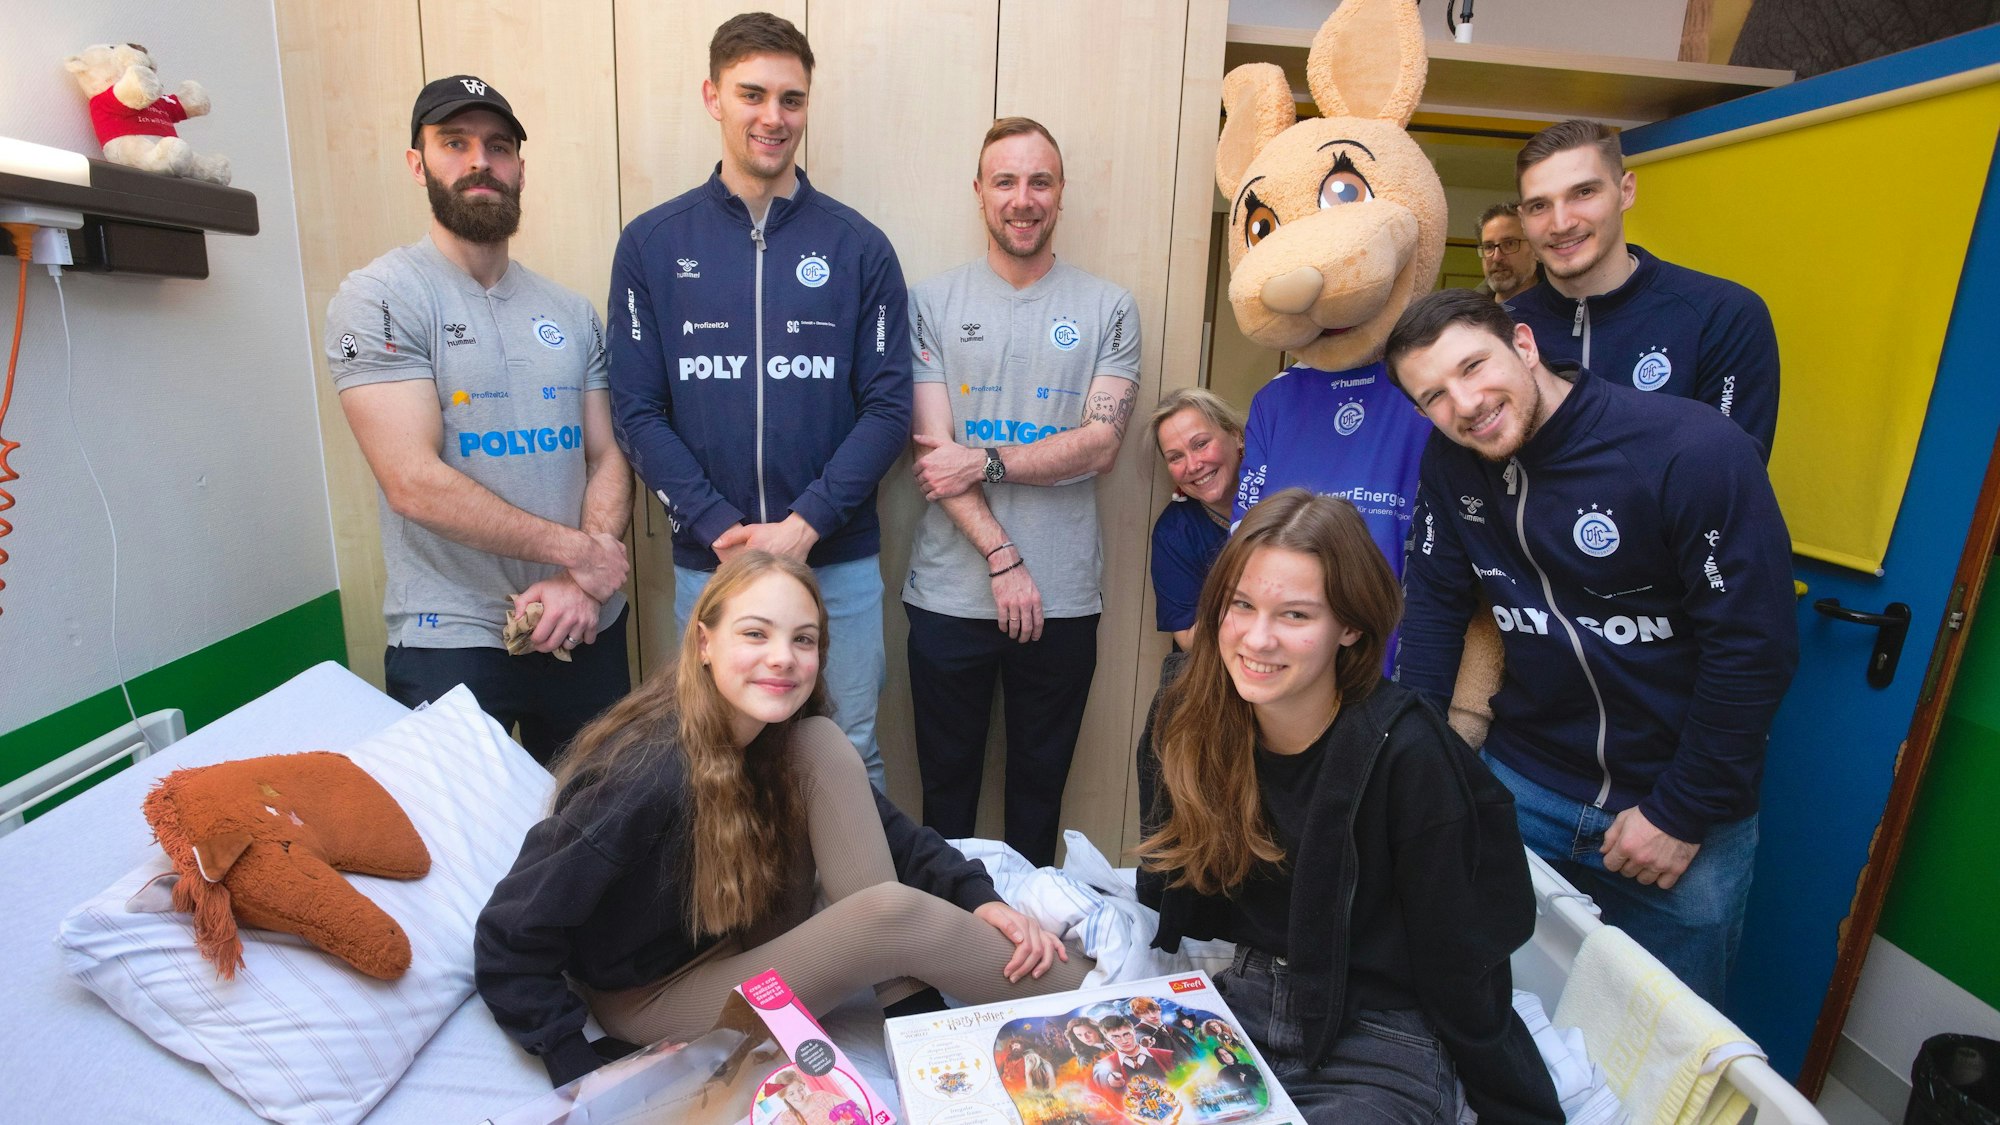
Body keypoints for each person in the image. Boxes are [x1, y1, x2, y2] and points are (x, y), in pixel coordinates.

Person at [474, 552, 1091, 1088]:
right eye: (755, 634)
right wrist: (574, 1056)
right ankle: (1104, 996)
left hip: (734, 928)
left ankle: (912, 1011)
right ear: (704, 642)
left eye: (802, 639)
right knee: (888, 914)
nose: (783, 658)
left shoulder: (776, 737)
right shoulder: (647, 776)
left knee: (821, 741)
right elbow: (508, 934)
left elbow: (891, 833)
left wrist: (978, 898)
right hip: (659, 998)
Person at [1385, 289, 1799, 1005]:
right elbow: (1434, 610)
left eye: (1474, 365)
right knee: (1501, 1008)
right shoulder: (1451, 466)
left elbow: (1753, 647)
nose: (1466, 403)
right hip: (1524, 786)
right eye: (1434, 395)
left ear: (1523, 343)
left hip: (1678, 811)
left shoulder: (1691, 449)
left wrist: (1680, 810)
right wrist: (1423, 760)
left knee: (1662, 1051)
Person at [1136, 489, 1561, 1125]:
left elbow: (1464, 964)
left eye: (1296, 616)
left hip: (1383, 1036)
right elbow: (1172, 881)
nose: (1258, 638)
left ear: (1352, 626)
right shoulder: (1188, 716)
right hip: (1243, 1005)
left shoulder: (1410, 755)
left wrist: (1515, 1106)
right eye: (1240, 605)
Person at [608, 12, 909, 788]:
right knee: (715, 757)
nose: (773, 117)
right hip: (710, 564)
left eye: (792, 99)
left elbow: (887, 410)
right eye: (753, 94)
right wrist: (719, 527)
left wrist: (804, 526)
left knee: (850, 754)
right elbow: (637, 410)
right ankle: (733, 914)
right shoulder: (651, 244)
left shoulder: (860, 247)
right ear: (713, 96)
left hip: (835, 559)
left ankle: (867, 911)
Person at [325, 75, 632, 763]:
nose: (479, 163)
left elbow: (606, 454)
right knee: (463, 860)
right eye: (454, 144)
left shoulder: (571, 311)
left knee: (600, 839)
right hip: (452, 637)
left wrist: (580, 580)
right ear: (417, 163)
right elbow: (412, 480)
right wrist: (579, 552)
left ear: (519, 166)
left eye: (498, 147)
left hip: (584, 623)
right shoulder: (378, 299)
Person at [903, 117, 1141, 867]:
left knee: (1040, 799)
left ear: (1060, 194)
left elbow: (1101, 444)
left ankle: (1038, 968)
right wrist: (1003, 556)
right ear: (979, 193)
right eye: (1005, 181)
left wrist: (986, 461)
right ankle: (946, 960)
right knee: (946, 797)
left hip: (1065, 596)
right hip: (950, 593)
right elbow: (938, 458)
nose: (1023, 198)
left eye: (1040, 181)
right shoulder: (928, 303)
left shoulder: (1110, 307)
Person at [1506, 119, 1779, 457]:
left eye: (1584, 193)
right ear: (1522, 219)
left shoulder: (1722, 314)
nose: (1561, 223)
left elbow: (1730, 477)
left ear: (1626, 191)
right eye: (1539, 206)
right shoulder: (1500, 329)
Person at [1150, 388, 1244, 654]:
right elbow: (1191, 639)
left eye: (1201, 444)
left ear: (1236, 435)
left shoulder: (1280, 498)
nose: (1192, 465)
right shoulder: (1175, 532)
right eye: (1176, 457)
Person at [1475, 201, 1538, 303]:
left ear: (1536, 250)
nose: (1496, 257)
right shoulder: (1465, 314)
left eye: (1509, 244)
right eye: (1489, 247)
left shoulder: (1566, 313)